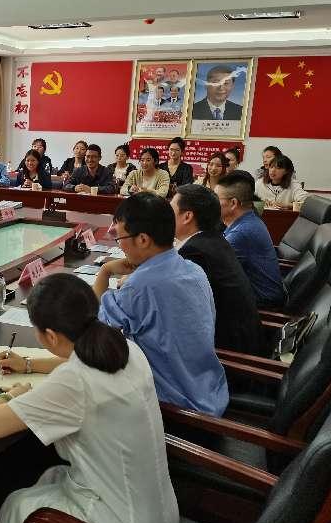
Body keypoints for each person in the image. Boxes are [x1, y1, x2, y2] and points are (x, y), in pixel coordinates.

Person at [0, 274, 178, 523]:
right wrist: (28, 364)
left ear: (50, 336)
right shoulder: (125, 348)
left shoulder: (74, 384)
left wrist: (13, 394)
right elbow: (75, 360)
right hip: (161, 519)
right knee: (50, 477)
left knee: (18, 506)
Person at [92, 193, 229, 415]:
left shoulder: (140, 286)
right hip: (210, 390)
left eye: (120, 238)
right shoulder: (193, 269)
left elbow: (94, 324)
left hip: (176, 407)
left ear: (143, 239)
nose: (121, 246)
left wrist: (105, 271)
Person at [172, 185, 264, 354]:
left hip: (229, 354)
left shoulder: (194, 252)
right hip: (242, 338)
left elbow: (179, 313)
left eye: (171, 210)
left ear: (187, 216)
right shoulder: (212, 239)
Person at [215, 174, 286, 308]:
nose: (211, 203)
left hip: (260, 303)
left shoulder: (241, 233)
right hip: (253, 292)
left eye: (215, 198)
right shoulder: (250, 219)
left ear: (233, 203)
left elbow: (211, 269)